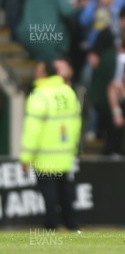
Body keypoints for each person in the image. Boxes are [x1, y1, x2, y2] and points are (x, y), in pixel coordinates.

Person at [19, 61, 81, 231]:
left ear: (45, 74)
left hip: (45, 155)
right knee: (65, 192)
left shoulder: (39, 95)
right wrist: (72, 147)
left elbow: (33, 129)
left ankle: (52, 225)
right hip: (65, 153)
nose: (35, 73)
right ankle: (71, 224)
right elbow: (76, 123)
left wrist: (26, 156)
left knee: (50, 194)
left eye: (38, 70)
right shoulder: (68, 92)